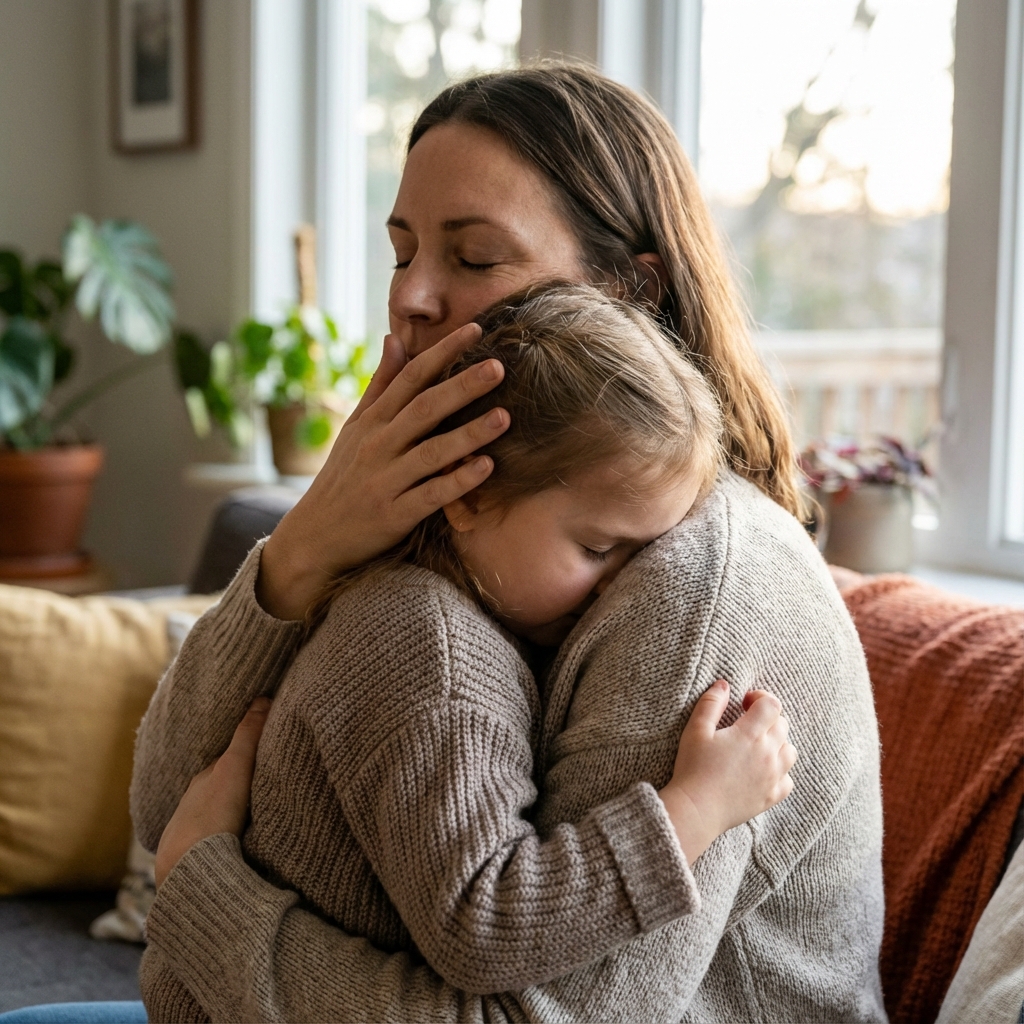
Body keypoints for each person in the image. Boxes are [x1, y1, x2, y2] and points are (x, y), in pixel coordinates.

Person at [1, 63, 885, 1023]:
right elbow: (169, 807)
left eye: (473, 259)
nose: (413, 298)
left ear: (629, 293)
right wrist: (301, 553)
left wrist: (210, 907)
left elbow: (530, 1015)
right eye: (401, 252)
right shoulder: (458, 521)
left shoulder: (693, 582)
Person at [131, 285, 798, 1021]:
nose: (621, 590)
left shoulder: (434, 608)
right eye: (598, 548)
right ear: (469, 497)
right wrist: (695, 809)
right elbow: (483, 926)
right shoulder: (431, 654)